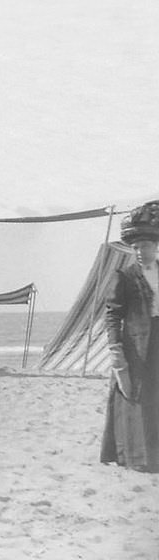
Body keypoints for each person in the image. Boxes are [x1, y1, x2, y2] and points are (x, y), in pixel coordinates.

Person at [100, 201, 159, 473]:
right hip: (135, 348)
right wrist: (116, 353)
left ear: (155, 246)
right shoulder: (124, 276)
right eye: (135, 247)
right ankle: (138, 458)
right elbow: (112, 315)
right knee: (137, 400)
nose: (139, 251)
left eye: (144, 246)